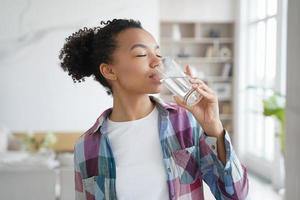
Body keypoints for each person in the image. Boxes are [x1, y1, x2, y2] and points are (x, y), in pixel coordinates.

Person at [59, 19, 248, 200]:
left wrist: (213, 126)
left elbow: (235, 195)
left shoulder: (186, 122)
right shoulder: (86, 146)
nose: (157, 62)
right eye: (141, 54)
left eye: (158, 54)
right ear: (109, 71)